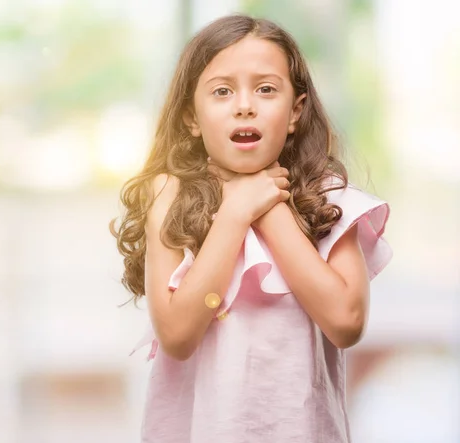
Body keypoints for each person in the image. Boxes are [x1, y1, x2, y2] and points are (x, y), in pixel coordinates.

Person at [110, 14, 392, 443]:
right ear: (191, 116)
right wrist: (234, 213)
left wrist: (269, 208)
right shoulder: (168, 195)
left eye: (266, 89)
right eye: (222, 91)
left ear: (295, 111)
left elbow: (346, 322)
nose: (245, 104)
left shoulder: (329, 200)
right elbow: (178, 335)